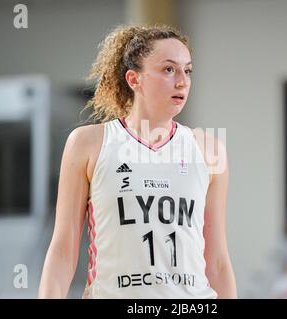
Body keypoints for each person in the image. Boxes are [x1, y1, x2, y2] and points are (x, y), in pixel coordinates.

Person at [38, 24, 237, 299]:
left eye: (187, 70)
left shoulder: (208, 149)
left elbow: (217, 260)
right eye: (169, 69)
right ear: (134, 79)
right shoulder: (88, 143)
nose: (182, 80)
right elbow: (62, 250)